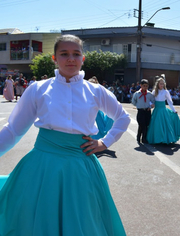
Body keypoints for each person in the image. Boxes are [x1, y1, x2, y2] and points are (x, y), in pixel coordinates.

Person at [0, 34, 129, 235]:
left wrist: (104, 143)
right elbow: (13, 130)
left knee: (83, 221)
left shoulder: (96, 91)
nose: (71, 59)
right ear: (55, 58)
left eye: (76, 54)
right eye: (64, 54)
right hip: (42, 166)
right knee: (37, 219)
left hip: (81, 166)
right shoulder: (38, 89)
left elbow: (123, 117)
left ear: (83, 58)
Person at [146, 77, 180, 144]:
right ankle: (157, 139)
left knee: (165, 125)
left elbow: (170, 102)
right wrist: (151, 104)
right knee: (157, 125)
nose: (162, 85)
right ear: (157, 84)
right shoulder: (154, 91)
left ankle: (164, 139)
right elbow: (150, 99)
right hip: (156, 111)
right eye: (160, 84)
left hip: (163, 110)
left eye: (163, 84)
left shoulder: (166, 92)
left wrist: (174, 110)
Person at [132, 79, 155, 143]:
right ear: (141, 85)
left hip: (147, 111)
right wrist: (138, 105)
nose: (145, 87)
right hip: (140, 111)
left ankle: (141, 136)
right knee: (142, 124)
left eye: (146, 86)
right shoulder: (137, 94)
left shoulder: (149, 94)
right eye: (144, 86)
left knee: (146, 124)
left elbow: (153, 101)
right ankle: (142, 138)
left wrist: (150, 106)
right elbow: (133, 101)